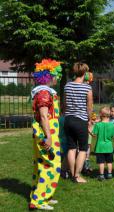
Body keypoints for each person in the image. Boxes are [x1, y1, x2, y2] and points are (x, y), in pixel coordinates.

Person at [29, 59, 62, 210]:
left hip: (47, 133)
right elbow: (43, 116)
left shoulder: (44, 92)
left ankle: (43, 195)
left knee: (42, 165)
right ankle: (39, 201)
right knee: (51, 165)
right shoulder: (44, 93)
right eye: (56, 75)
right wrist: (48, 136)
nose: (57, 78)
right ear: (48, 76)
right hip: (46, 134)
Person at [64, 62, 93, 183]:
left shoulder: (67, 86)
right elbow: (89, 106)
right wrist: (90, 120)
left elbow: (65, 104)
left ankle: (71, 174)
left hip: (68, 119)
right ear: (85, 73)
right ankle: (77, 176)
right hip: (80, 120)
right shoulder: (87, 88)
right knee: (82, 148)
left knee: (71, 148)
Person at [91, 107, 114, 181]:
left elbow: (94, 135)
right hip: (109, 147)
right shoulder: (112, 125)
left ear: (101, 115)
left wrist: (90, 132)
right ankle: (109, 174)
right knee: (109, 162)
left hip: (100, 147)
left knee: (101, 162)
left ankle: (101, 175)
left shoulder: (98, 125)